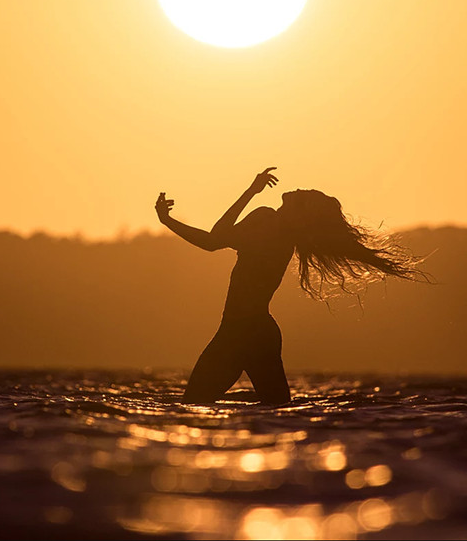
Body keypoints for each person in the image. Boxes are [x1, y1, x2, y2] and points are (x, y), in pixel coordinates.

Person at [156, 167, 424, 405]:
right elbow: (215, 239)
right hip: (258, 331)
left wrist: (250, 191)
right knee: (275, 406)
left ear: (301, 216)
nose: (297, 190)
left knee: (193, 404)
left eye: (303, 197)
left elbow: (214, 240)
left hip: (241, 332)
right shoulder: (281, 234)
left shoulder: (267, 221)